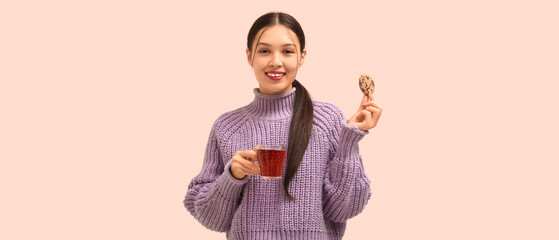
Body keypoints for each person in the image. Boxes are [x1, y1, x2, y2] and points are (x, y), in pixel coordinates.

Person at [183, 11, 383, 240]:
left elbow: (343, 209)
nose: (275, 61)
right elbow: (211, 219)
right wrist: (232, 176)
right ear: (249, 56)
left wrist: (350, 138)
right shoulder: (227, 127)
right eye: (264, 51)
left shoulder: (327, 120)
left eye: (287, 51)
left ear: (302, 56)